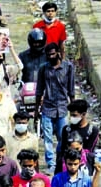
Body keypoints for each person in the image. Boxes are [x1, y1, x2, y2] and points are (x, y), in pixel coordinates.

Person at [35, 43, 75, 172]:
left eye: (52, 54)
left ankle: (60, 161)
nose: (50, 57)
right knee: (47, 138)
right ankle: (51, 163)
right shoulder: (44, 69)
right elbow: (39, 89)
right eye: (48, 55)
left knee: (62, 138)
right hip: (47, 107)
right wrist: (36, 110)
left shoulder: (68, 67)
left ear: (58, 52)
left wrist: (74, 109)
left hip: (63, 107)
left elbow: (71, 89)